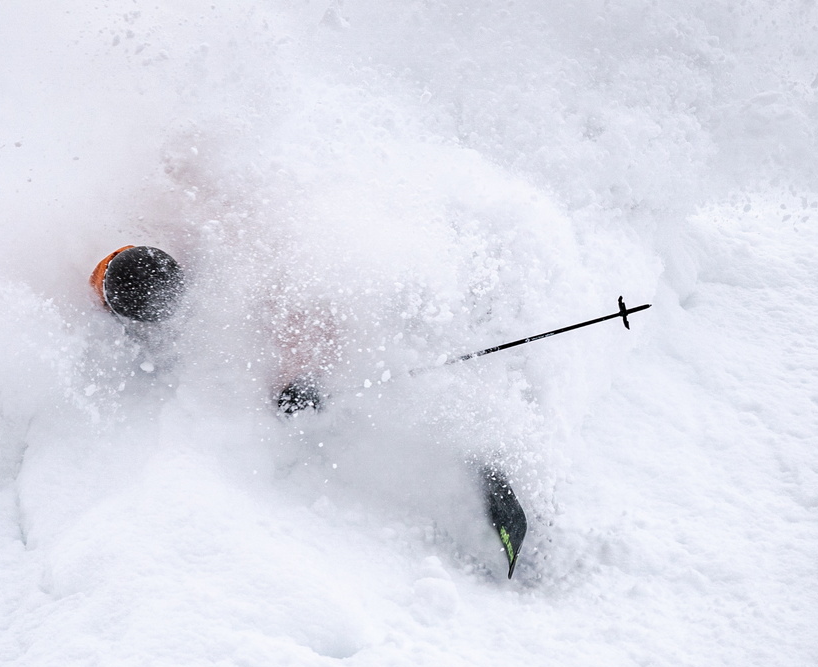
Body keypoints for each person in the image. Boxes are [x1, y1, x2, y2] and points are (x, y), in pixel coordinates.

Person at [88, 245, 528, 575]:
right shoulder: (123, 282)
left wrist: (297, 380)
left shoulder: (222, 271)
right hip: (324, 343)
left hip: (356, 327)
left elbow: (300, 309)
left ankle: (474, 457)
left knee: (381, 398)